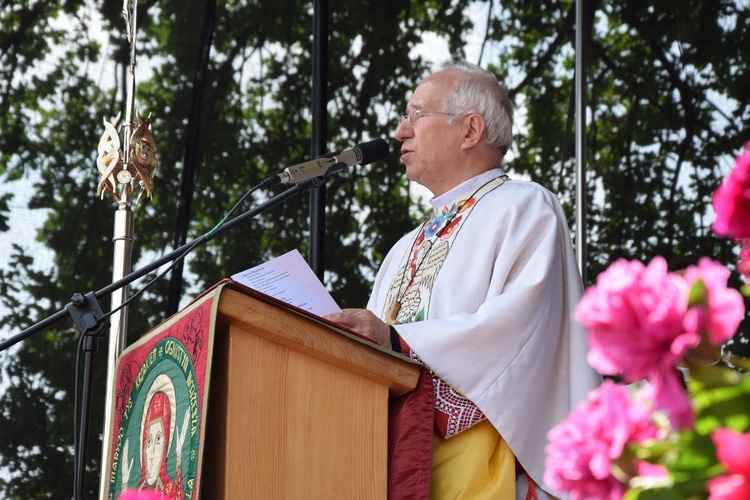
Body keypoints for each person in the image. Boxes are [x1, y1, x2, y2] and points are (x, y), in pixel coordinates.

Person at [324, 60, 601, 499]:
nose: (400, 131)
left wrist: (397, 341)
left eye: (416, 115)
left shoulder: (524, 207)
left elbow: (519, 334)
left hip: (485, 471)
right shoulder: (402, 249)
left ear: (470, 131)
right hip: (390, 467)